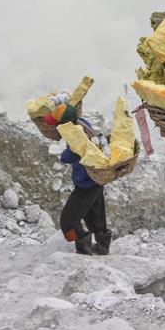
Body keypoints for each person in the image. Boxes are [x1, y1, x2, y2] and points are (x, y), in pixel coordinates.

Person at [56, 106, 113, 256]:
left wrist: (66, 151)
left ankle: (83, 246)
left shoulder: (77, 137)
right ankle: (102, 247)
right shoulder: (83, 123)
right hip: (96, 179)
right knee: (95, 215)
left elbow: (66, 157)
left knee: (68, 220)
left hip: (86, 183)